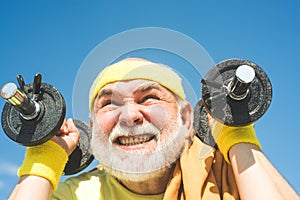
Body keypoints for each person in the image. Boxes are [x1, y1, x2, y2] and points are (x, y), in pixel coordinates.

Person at [9, 58, 299, 200]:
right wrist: (44, 162)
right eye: (109, 104)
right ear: (94, 126)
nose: (129, 116)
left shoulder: (234, 179)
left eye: (149, 98)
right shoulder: (74, 194)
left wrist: (237, 137)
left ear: (187, 119)